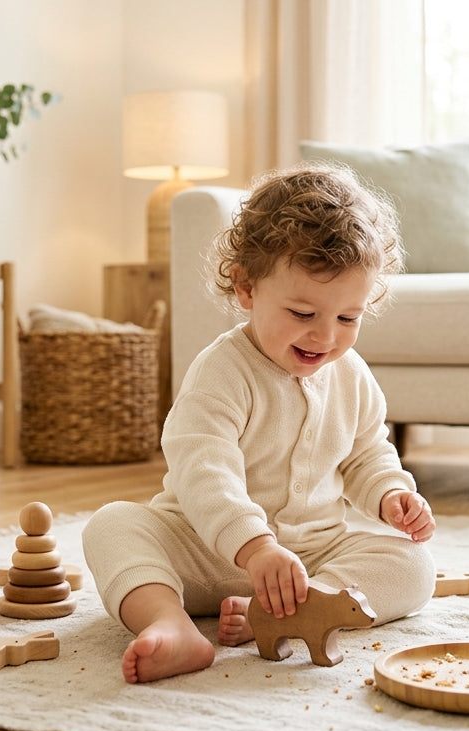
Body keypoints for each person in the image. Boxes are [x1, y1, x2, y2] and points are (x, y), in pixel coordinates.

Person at [82, 164, 437, 684]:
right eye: (301, 313)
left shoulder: (353, 376)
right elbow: (206, 474)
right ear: (246, 288)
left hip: (311, 559)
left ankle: (288, 611)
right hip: (202, 550)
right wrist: (256, 548)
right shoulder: (221, 372)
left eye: (347, 319)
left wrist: (390, 494)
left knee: (414, 565)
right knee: (112, 525)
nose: (324, 337)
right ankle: (168, 623)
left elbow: (367, 453)